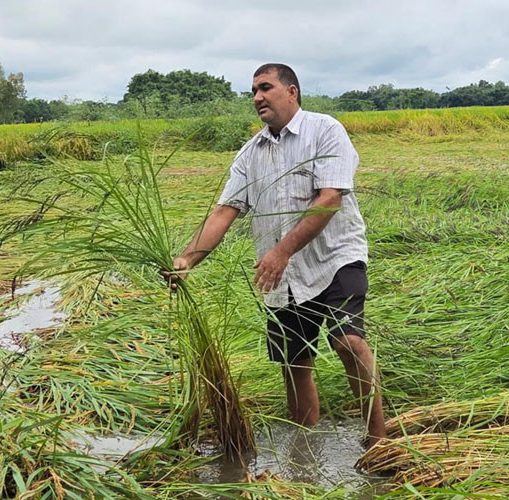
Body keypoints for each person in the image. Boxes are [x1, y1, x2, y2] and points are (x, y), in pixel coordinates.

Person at [164, 63, 386, 448]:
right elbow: (224, 212)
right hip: (283, 276)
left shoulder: (325, 130)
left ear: (292, 92)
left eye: (265, 87)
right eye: (253, 91)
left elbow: (329, 199)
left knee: (348, 342)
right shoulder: (250, 153)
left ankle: (378, 441)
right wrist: (187, 260)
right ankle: (305, 453)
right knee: (294, 363)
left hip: (335, 257)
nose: (257, 97)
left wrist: (281, 251)